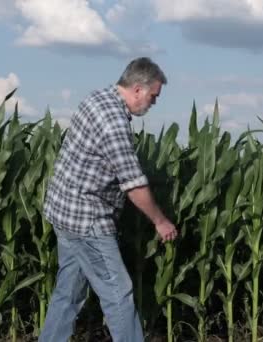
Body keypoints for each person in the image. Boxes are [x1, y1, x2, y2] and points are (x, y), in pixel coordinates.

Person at [40, 57, 178, 342]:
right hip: (87, 220)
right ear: (138, 89)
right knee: (119, 295)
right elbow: (133, 183)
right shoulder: (113, 122)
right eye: (153, 96)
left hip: (63, 213)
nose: (153, 103)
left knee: (69, 293)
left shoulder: (98, 98)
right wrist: (161, 221)